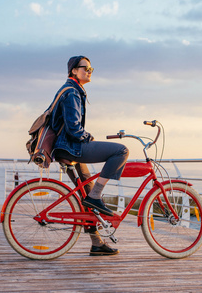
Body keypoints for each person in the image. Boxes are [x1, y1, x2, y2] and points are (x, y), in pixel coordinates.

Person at [50, 55, 129, 256]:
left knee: (87, 194)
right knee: (121, 151)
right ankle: (95, 197)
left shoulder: (73, 90)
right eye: (85, 68)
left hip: (66, 148)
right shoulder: (72, 93)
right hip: (71, 148)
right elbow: (74, 129)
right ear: (73, 71)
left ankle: (96, 242)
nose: (89, 71)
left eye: (91, 69)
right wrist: (89, 137)